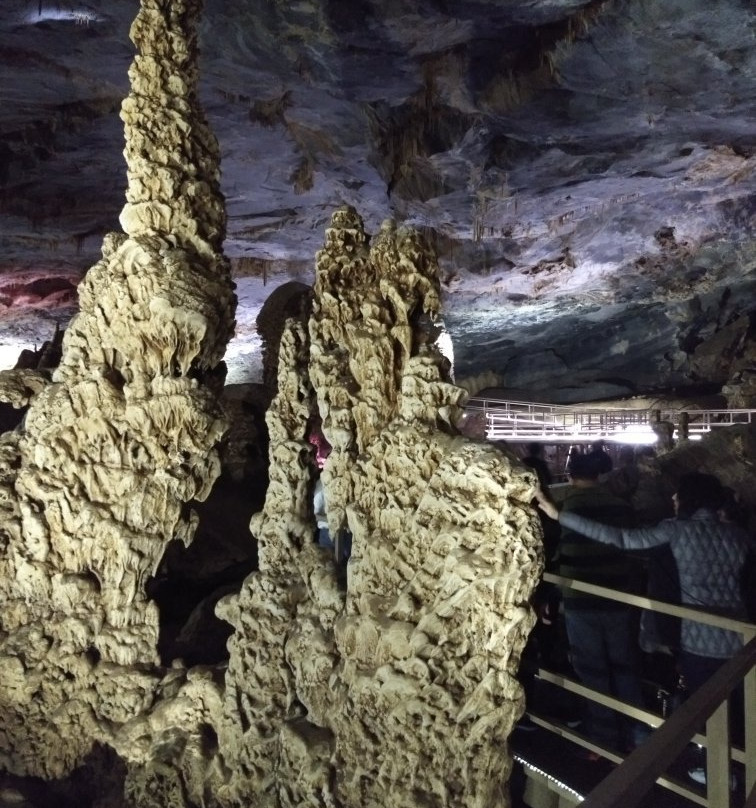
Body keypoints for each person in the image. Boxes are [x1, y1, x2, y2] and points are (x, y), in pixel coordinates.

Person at [536, 471, 754, 781]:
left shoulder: (675, 531)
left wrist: (560, 516)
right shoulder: (738, 536)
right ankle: (736, 768)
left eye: (679, 495)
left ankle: (715, 772)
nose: (674, 499)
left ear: (690, 499)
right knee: (735, 706)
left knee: (705, 705)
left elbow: (621, 539)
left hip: (697, 639)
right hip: (739, 638)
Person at [553, 452, 645, 755]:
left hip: (581, 597)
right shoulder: (620, 506)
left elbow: (556, 553)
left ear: (570, 477)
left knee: (592, 669)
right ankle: (640, 733)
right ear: (600, 476)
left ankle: (603, 740)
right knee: (624, 665)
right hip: (618, 596)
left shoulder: (567, 506)